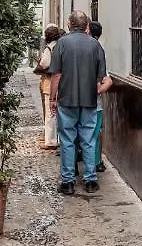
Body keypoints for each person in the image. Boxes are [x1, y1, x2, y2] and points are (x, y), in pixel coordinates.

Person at [49, 11, 110, 194]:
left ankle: (68, 182)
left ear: (69, 24)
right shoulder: (95, 45)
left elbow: (56, 75)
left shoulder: (61, 44)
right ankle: (90, 180)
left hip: (66, 100)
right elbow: (101, 77)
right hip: (89, 101)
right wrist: (95, 91)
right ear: (87, 26)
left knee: (67, 141)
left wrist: (52, 98)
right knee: (89, 140)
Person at [89, 20, 111, 172]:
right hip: (95, 104)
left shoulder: (94, 49)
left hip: (80, 103)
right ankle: (96, 162)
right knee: (95, 135)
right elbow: (108, 80)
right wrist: (97, 91)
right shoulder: (99, 49)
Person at [34, 24, 61, 149]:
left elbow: (44, 64)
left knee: (50, 113)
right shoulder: (61, 46)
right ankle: (59, 139)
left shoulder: (48, 49)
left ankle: (50, 141)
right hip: (63, 84)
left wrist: (38, 68)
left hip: (50, 83)